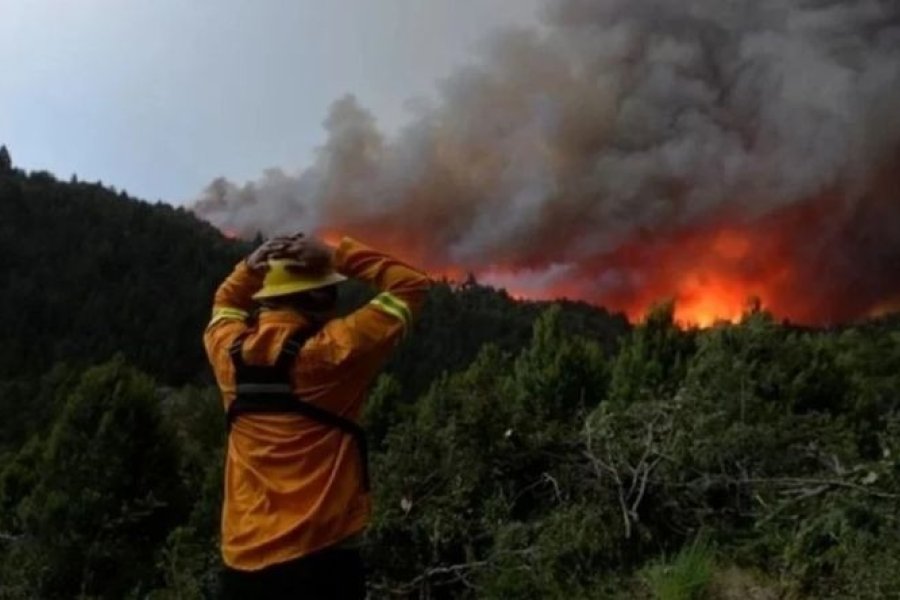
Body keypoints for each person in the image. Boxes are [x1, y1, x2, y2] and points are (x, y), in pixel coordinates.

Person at [204, 233, 430, 598]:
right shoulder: (335, 351)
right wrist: (335, 254)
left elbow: (224, 304)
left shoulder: (227, 353)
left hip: (241, 564)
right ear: (321, 297)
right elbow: (411, 285)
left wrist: (249, 268)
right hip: (321, 560)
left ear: (267, 299)